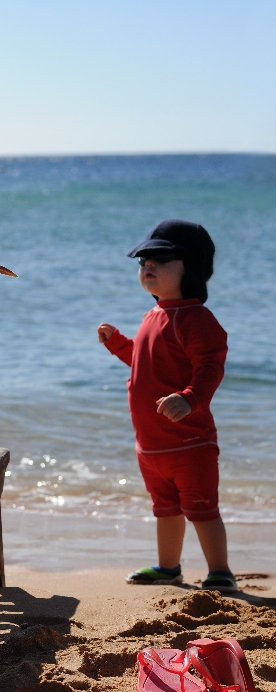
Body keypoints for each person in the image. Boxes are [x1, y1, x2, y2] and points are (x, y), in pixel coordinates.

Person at [98, 219, 236, 592]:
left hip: (190, 443)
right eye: (143, 262)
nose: (148, 267)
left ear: (190, 266)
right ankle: (168, 566)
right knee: (165, 508)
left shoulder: (195, 318)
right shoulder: (153, 316)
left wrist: (190, 399)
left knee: (202, 508)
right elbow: (146, 361)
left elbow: (211, 365)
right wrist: (118, 345)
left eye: (160, 259)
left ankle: (220, 570)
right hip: (152, 444)